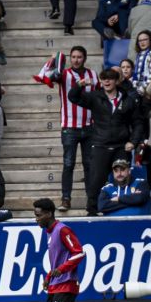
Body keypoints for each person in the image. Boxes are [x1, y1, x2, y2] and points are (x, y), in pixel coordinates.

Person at [68, 68, 143, 215]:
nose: (106, 81)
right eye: (103, 79)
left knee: (122, 178)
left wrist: (133, 142)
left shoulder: (128, 99)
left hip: (121, 146)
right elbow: (73, 97)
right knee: (96, 180)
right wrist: (80, 85)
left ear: (116, 81)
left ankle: (122, 208)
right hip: (100, 145)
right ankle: (92, 211)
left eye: (110, 78)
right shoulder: (95, 97)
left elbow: (138, 122)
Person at [34, 46, 99, 212]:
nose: (76, 60)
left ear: (85, 58)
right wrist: (53, 61)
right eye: (73, 57)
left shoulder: (93, 74)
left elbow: (100, 95)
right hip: (69, 126)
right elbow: (45, 77)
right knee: (68, 164)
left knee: (89, 164)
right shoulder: (64, 73)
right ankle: (66, 199)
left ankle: (91, 200)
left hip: (89, 126)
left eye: (79, 57)